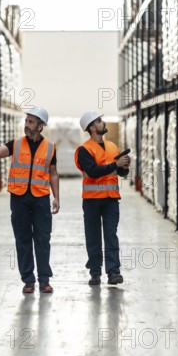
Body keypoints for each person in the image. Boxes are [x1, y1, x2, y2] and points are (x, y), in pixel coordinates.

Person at [0, 107, 60, 294]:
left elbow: (53, 174)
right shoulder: (16, 144)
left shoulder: (51, 148)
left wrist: (56, 198)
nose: (26, 124)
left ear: (40, 126)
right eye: (26, 121)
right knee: (23, 239)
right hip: (20, 198)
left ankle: (44, 280)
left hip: (41, 198)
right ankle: (28, 280)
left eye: (31, 122)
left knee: (43, 239)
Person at [74, 112, 130, 286]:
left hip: (111, 198)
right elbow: (92, 171)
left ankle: (113, 272)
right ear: (92, 128)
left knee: (111, 235)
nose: (103, 122)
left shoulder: (112, 147)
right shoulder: (84, 150)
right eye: (99, 121)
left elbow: (120, 172)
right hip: (92, 200)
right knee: (93, 237)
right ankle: (95, 273)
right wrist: (116, 164)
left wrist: (125, 166)